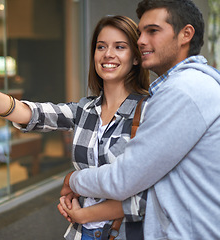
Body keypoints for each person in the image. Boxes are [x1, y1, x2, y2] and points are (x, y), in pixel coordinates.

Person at [0, 15, 150, 240]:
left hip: (123, 233)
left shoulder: (149, 111)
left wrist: (84, 213)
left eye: (120, 47)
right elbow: (27, 113)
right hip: (81, 234)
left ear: (136, 58)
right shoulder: (85, 110)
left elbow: (144, 196)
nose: (108, 54)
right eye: (101, 47)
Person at [60, 0, 220, 239]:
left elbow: (124, 179)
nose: (141, 40)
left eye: (153, 31)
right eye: (141, 31)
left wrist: (73, 179)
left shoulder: (184, 91)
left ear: (186, 34)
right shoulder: (187, 87)